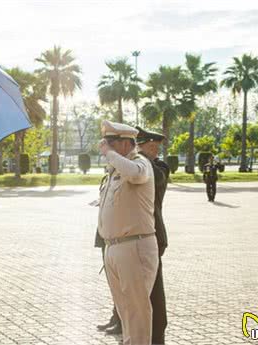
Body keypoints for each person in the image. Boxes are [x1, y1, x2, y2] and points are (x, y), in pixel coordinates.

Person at [97, 120, 158, 345]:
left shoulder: (139, 162)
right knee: (126, 312)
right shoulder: (115, 169)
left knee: (137, 311)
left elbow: (136, 175)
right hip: (114, 247)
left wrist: (111, 156)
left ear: (125, 144)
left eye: (110, 143)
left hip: (134, 246)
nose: (105, 148)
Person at [137, 126, 170, 344]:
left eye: (154, 147)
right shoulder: (137, 165)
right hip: (136, 238)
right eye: (149, 147)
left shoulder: (159, 168)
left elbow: (156, 179)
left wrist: (140, 158)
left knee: (154, 294)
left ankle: (157, 336)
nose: (154, 151)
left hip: (154, 237)